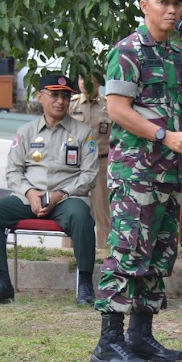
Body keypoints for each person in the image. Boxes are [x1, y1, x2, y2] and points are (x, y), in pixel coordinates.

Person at [90, 0, 182, 362]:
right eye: (164, 2)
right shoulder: (127, 51)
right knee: (128, 253)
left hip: (168, 174)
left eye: (177, 3)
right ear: (144, 5)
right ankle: (108, 344)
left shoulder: (180, 56)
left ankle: (139, 336)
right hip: (135, 173)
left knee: (159, 254)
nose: (172, 10)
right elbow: (117, 110)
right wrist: (166, 136)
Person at [0, 74, 99, 306]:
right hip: (28, 199)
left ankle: (84, 283)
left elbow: (89, 175)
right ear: (40, 97)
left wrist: (59, 195)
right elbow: (13, 171)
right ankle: (2, 283)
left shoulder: (83, 133)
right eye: (54, 95)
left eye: (65, 96)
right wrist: (30, 193)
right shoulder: (26, 132)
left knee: (82, 217)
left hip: (67, 199)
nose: (60, 101)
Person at [61, 75, 111, 251]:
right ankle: (67, 252)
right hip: (75, 165)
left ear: (98, 81)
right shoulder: (71, 104)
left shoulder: (108, 106)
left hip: (100, 165)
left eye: (88, 79)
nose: (82, 83)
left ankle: (105, 252)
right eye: (80, 78)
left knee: (103, 212)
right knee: (70, 208)